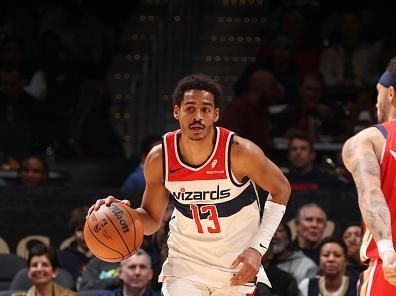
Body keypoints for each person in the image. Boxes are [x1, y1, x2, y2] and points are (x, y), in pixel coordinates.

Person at [89, 74, 291, 295]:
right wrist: (124, 214)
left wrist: (257, 249)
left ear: (216, 114)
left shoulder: (240, 152)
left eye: (205, 109)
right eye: (190, 108)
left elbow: (281, 189)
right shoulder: (160, 158)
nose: (198, 116)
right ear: (177, 111)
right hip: (185, 264)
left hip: (236, 265)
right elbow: (152, 221)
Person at [342, 56, 396, 294]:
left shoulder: (369, 140)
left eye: (378, 93)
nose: (377, 103)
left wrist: (386, 247)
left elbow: (371, 193)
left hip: (390, 269)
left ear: (391, 94)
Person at [58, 206, 93, 282]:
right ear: (73, 234)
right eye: (80, 229)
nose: (85, 234)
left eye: (88, 228)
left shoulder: (107, 256)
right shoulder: (63, 258)